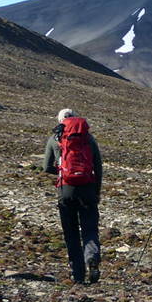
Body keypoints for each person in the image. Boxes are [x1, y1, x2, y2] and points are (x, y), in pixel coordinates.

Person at [43, 109, 103, 285]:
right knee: (90, 229)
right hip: (88, 189)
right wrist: (96, 191)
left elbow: (46, 167)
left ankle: (77, 274)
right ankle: (91, 257)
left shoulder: (55, 139)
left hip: (66, 190)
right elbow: (98, 167)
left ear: (61, 121)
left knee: (71, 233)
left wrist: (62, 171)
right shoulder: (89, 139)